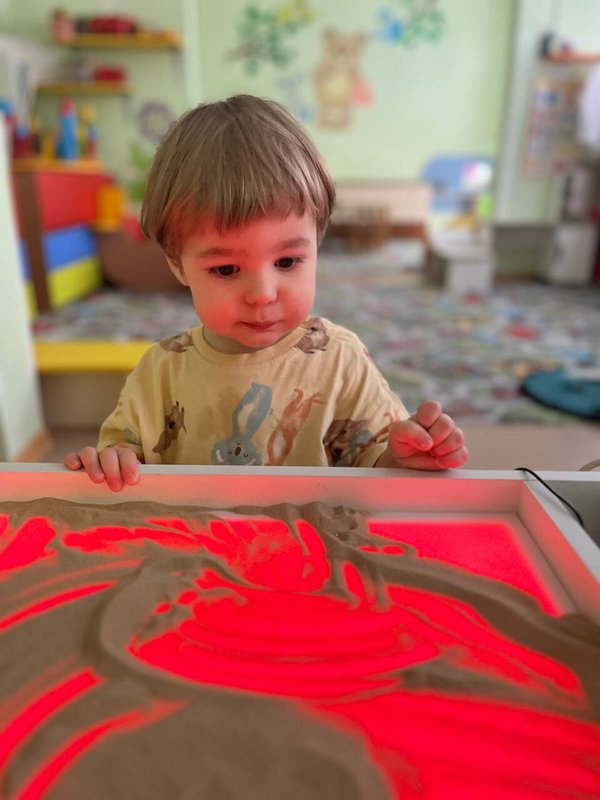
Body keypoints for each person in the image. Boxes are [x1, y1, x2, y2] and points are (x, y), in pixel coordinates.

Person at [65, 94, 467, 491]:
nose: (262, 294)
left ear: (317, 244)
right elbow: (123, 456)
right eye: (226, 269)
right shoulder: (160, 372)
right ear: (177, 264)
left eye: (287, 261)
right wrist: (114, 461)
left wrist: (401, 457)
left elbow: (376, 465)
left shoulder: (340, 360)